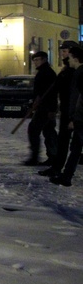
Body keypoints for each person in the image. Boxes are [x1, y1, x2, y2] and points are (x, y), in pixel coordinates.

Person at [40, 41, 79, 177]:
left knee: (71, 142)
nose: (63, 54)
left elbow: (75, 94)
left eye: (66, 51)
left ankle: (62, 170)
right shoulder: (67, 70)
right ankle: (58, 168)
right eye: (62, 51)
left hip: (73, 111)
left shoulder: (75, 71)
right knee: (65, 141)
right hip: (67, 109)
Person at [50, 45, 83, 187]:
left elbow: (79, 99)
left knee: (76, 147)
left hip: (79, 117)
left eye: (69, 57)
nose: (67, 60)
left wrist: (73, 118)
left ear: (75, 59)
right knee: (76, 147)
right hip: (78, 116)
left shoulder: (80, 74)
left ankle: (66, 176)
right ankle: (66, 176)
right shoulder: (78, 73)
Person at [24, 51, 58, 166]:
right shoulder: (44, 72)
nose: (35, 62)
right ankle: (53, 156)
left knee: (34, 130)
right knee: (48, 131)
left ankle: (36, 157)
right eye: (34, 60)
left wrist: (50, 109)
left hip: (45, 108)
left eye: (37, 60)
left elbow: (49, 93)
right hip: (44, 107)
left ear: (44, 59)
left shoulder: (46, 73)